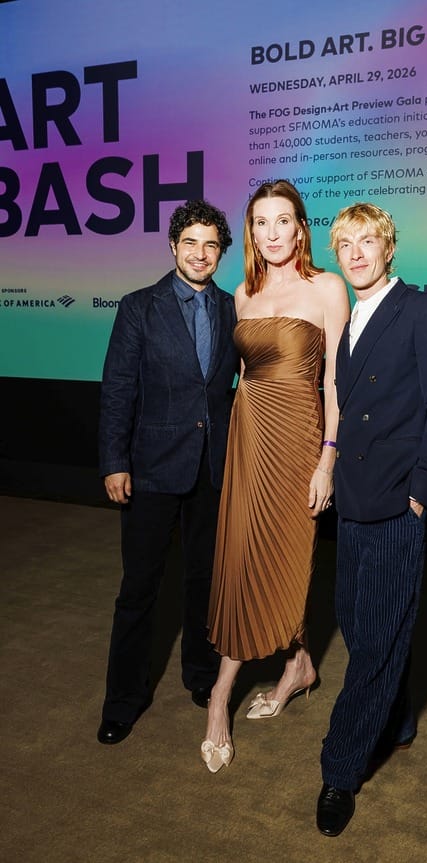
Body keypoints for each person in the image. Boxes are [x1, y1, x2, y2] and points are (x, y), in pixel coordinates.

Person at [316, 203, 427, 835]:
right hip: (355, 500)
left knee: (375, 638)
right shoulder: (350, 320)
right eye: (344, 243)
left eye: (366, 241)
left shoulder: (424, 310)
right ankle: (397, 720)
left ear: (389, 247)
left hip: (396, 505)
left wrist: (422, 495)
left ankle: (339, 770)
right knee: (358, 619)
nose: (354, 253)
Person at [199, 180, 350, 773]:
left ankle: (226, 693)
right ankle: (291, 667)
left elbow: (335, 379)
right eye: (260, 223)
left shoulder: (327, 288)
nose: (271, 233)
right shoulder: (242, 293)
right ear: (252, 233)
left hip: (298, 442)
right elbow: (242, 377)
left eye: (281, 221)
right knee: (241, 555)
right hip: (249, 437)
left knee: (283, 557)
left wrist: (328, 458)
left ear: (300, 228)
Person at [97, 200, 239, 745]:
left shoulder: (232, 308)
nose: (200, 254)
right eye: (190, 243)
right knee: (139, 588)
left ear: (220, 252)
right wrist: (115, 462)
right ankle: (123, 700)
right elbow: (117, 390)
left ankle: (202, 676)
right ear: (172, 247)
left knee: (205, 581)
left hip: (212, 468)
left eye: (210, 245)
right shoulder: (139, 307)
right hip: (151, 468)